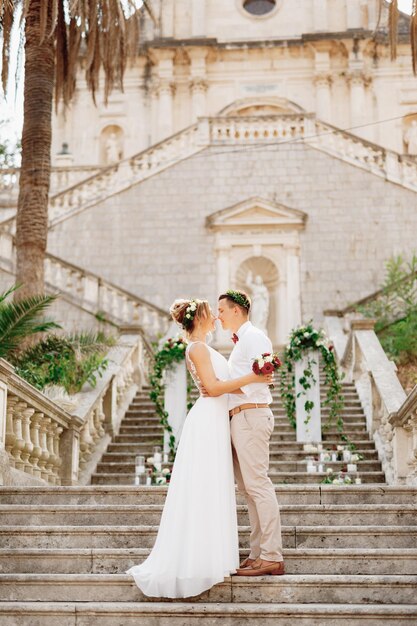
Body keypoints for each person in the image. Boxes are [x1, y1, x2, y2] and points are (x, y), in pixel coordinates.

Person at [126, 298, 273, 598]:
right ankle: (202, 558)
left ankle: (213, 554)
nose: (217, 317)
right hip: (208, 421)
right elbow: (215, 387)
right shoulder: (197, 347)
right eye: (212, 313)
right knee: (206, 488)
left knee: (214, 487)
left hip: (218, 419)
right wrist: (253, 377)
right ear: (199, 318)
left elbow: (217, 384)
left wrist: (238, 380)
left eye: (220, 312)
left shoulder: (202, 347)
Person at [217, 289, 284, 577]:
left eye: (221, 310)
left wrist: (221, 386)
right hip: (239, 417)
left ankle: (272, 555)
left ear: (236, 310)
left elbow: (262, 380)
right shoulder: (242, 342)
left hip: (251, 414)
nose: (218, 315)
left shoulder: (254, 336)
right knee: (248, 490)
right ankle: (257, 553)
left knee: (258, 485)